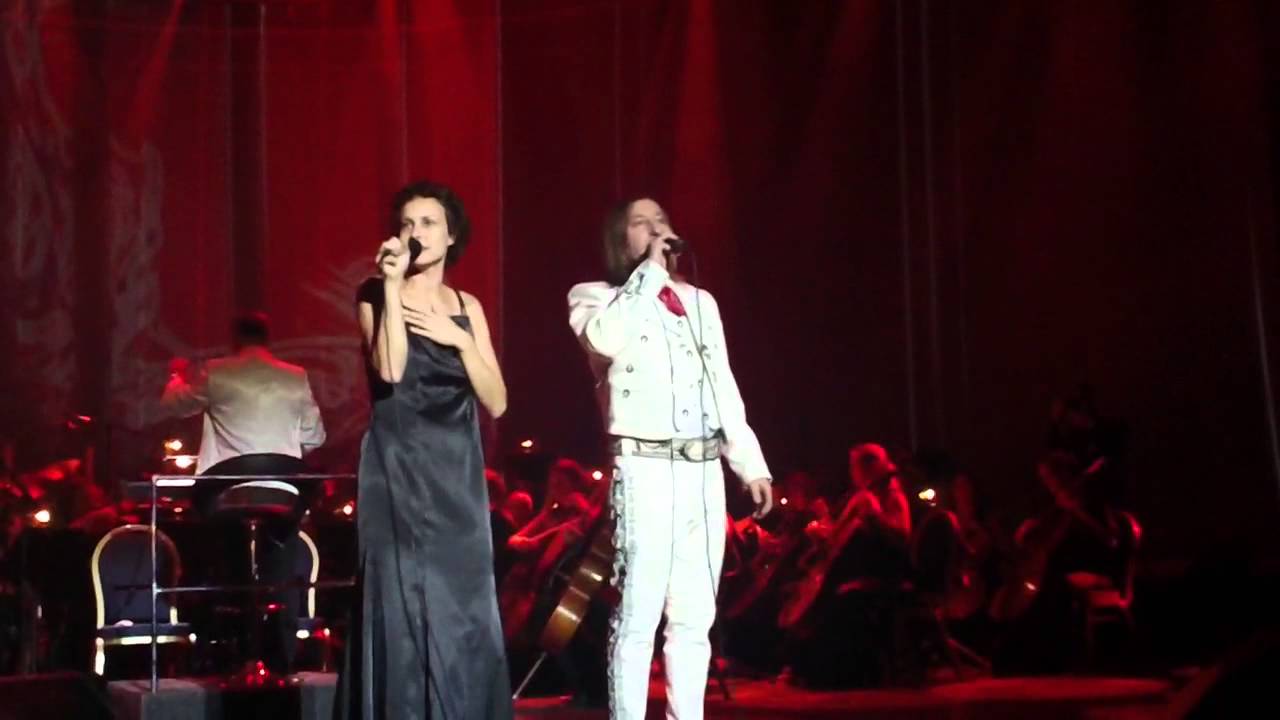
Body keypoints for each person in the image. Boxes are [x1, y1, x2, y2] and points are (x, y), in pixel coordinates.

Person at [568, 197, 773, 719]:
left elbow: (721, 383)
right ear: (621, 239)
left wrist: (749, 462)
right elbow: (605, 339)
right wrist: (650, 275)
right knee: (638, 615)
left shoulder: (701, 303)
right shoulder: (596, 298)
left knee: (694, 618)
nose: (657, 229)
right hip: (645, 469)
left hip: (702, 471)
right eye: (642, 223)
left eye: (662, 220)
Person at [333, 180, 512, 719]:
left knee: (464, 603)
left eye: (429, 223)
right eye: (407, 224)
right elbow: (390, 370)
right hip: (397, 467)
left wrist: (460, 339)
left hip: (456, 472)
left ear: (451, 235)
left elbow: (497, 401)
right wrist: (392, 288)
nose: (416, 233)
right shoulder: (373, 294)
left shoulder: (466, 306)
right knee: (400, 600)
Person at [161, 311, 326, 474]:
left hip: (226, 485)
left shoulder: (217, 372)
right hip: (282, 484)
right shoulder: (296, 376)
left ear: (235, 338)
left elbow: (175, 404)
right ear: (267, 339)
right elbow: (313, 438)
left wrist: (177, 375)